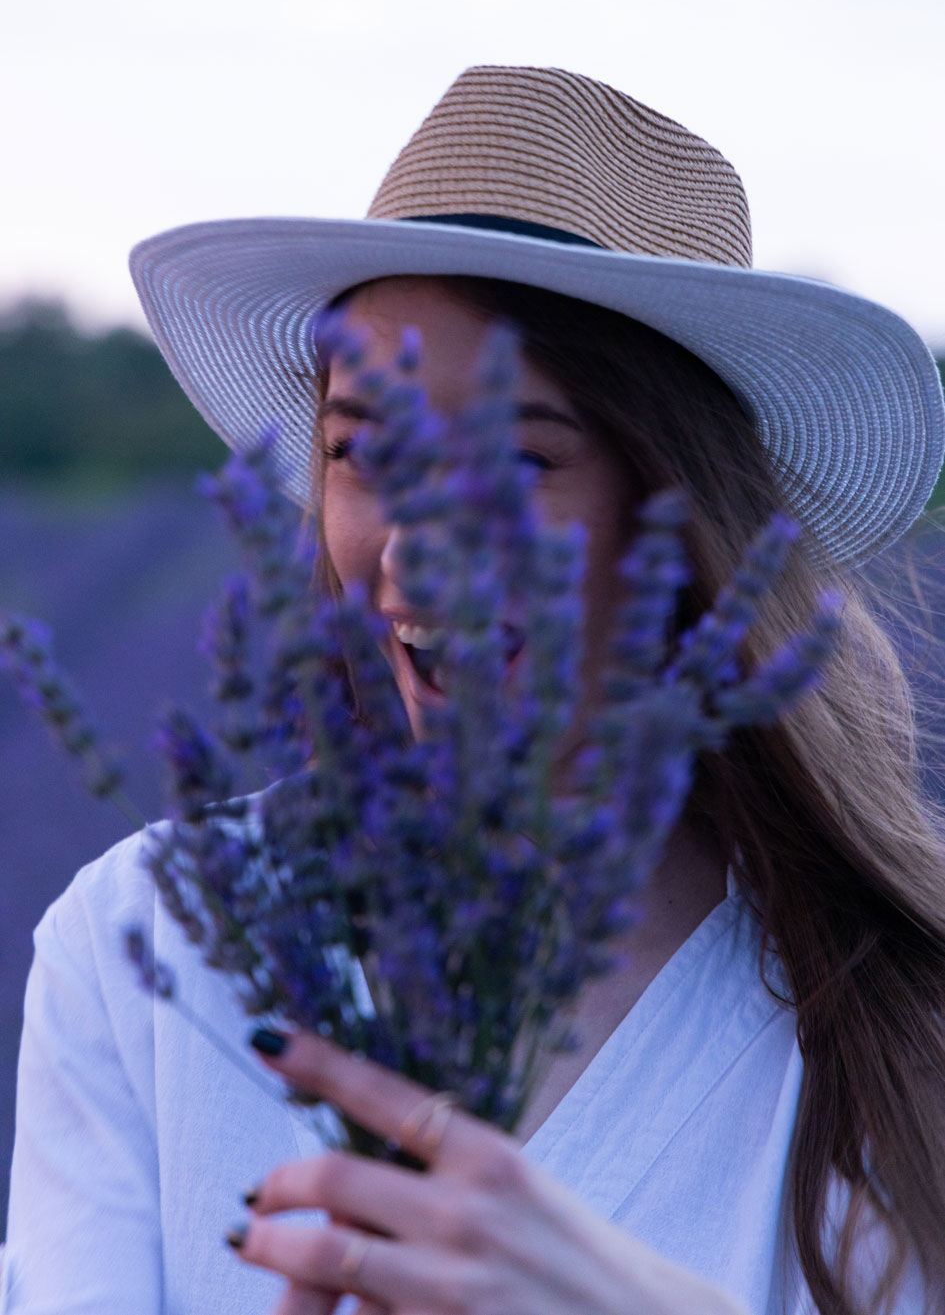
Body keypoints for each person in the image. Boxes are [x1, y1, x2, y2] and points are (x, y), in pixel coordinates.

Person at [3, 65, 945, 1315]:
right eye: (360, 452)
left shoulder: (889, 1024)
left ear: (677, 508)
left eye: (515, 456)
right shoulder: (141, 950)